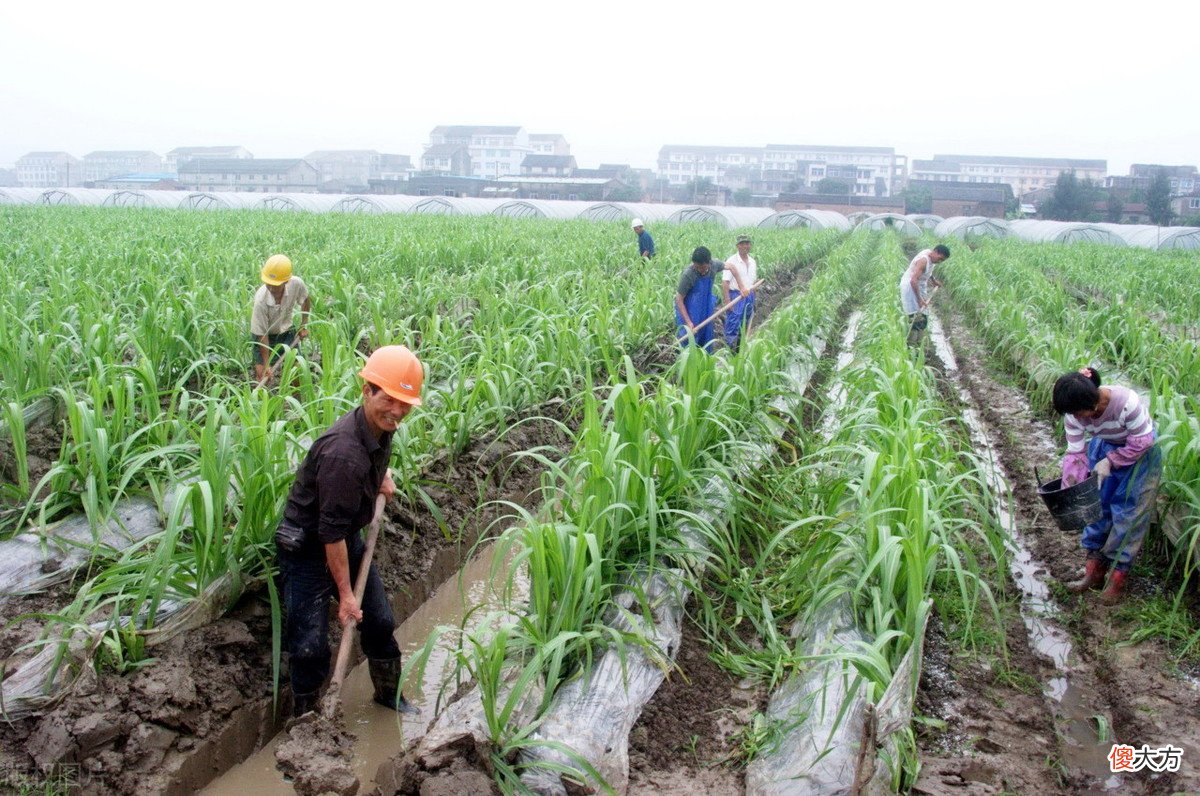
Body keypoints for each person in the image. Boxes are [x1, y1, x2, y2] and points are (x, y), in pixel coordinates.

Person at [274, 345, 425, 716]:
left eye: (405, 403)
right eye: (390, 400)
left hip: (344, 535)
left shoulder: (380, 427)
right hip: (308, 545)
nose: (398, 411)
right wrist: (345, 595)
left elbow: (368, 469)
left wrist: (380, 477)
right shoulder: (343, 454)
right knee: (310, 646)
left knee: (381, 621)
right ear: (368, 391)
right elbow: (329, 534)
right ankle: (306, 723)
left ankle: (389, 696)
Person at [1052, 367, 1161, 604]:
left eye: (1078, 412)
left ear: (1092, 404)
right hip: (1104, 447)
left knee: (1128, 513)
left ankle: (1118, 577)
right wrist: (1072, 487)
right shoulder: (1074, 415)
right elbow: (1076, 453)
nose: (1075, 418)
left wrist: (1112, 460)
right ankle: (1094, 571)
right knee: (1097, 506)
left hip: (1140, 456)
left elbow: (1144, 440)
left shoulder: (1126, 403)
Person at [252, 254, 311, 386]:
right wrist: (267, 364)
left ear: (286, 281)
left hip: (287, 332)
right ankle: (262, 404)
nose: (271, 288)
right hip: (265, 337)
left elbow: (306, 299)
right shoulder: (260, 300)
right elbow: (262, 335)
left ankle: (296, 400)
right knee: (262, 375)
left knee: (297, 370)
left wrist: (303, 325)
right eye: (269, 284)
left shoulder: (296, 284)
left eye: (276, 285)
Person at [899, 244, 950, 346]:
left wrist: (933, 281)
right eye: (940, 259)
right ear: (935, 251)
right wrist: (919, 299)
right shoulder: (923, 260)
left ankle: (918, 342)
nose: (939, 262)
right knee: (914, 316)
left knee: (922, 316)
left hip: (920, 286)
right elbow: (913, 281)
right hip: (910, 288)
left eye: (942, 261)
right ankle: (911, 345)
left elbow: (929, 271)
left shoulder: (931, 256)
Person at [675, 246, 723, 352]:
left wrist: (741, 286)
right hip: (689, 309)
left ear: (709, 262)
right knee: (687, 340)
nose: (700, 270)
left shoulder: (714, 265)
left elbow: (731, 267)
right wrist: (688, 322)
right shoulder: (688, 274)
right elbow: (679, 299)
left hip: (705, 307)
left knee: (706, 335)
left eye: (702, 267)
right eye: (697, 267)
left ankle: (704, 363)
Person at [722, 234, 757, 353]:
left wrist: (754, 299)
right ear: (737, 246)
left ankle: (739, 350)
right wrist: (727, 302)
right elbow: (725, 282)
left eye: (747, 243)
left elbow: (753, 282)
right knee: (733, 324)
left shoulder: (752, 261)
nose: (745, 246)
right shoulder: (732, 261)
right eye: (742, 244)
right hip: (736, 296)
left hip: (749, 296)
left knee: (745, 323)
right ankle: (729, 352)